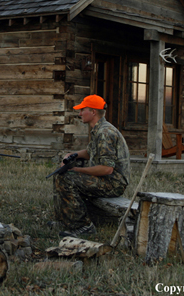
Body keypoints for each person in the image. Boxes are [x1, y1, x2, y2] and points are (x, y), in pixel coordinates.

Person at [53, 94, 130, 237]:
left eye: (83, 110)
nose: (79, 113)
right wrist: (71, 155)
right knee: (60, 173)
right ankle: (64, 219)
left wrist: (77, 170)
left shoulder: (105, 133)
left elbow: (107, 169)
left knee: (67, 178)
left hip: (113, 183)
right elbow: (90, 152)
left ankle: (83, 226)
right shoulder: (98, 130)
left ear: (93, 112)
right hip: (106, 180)